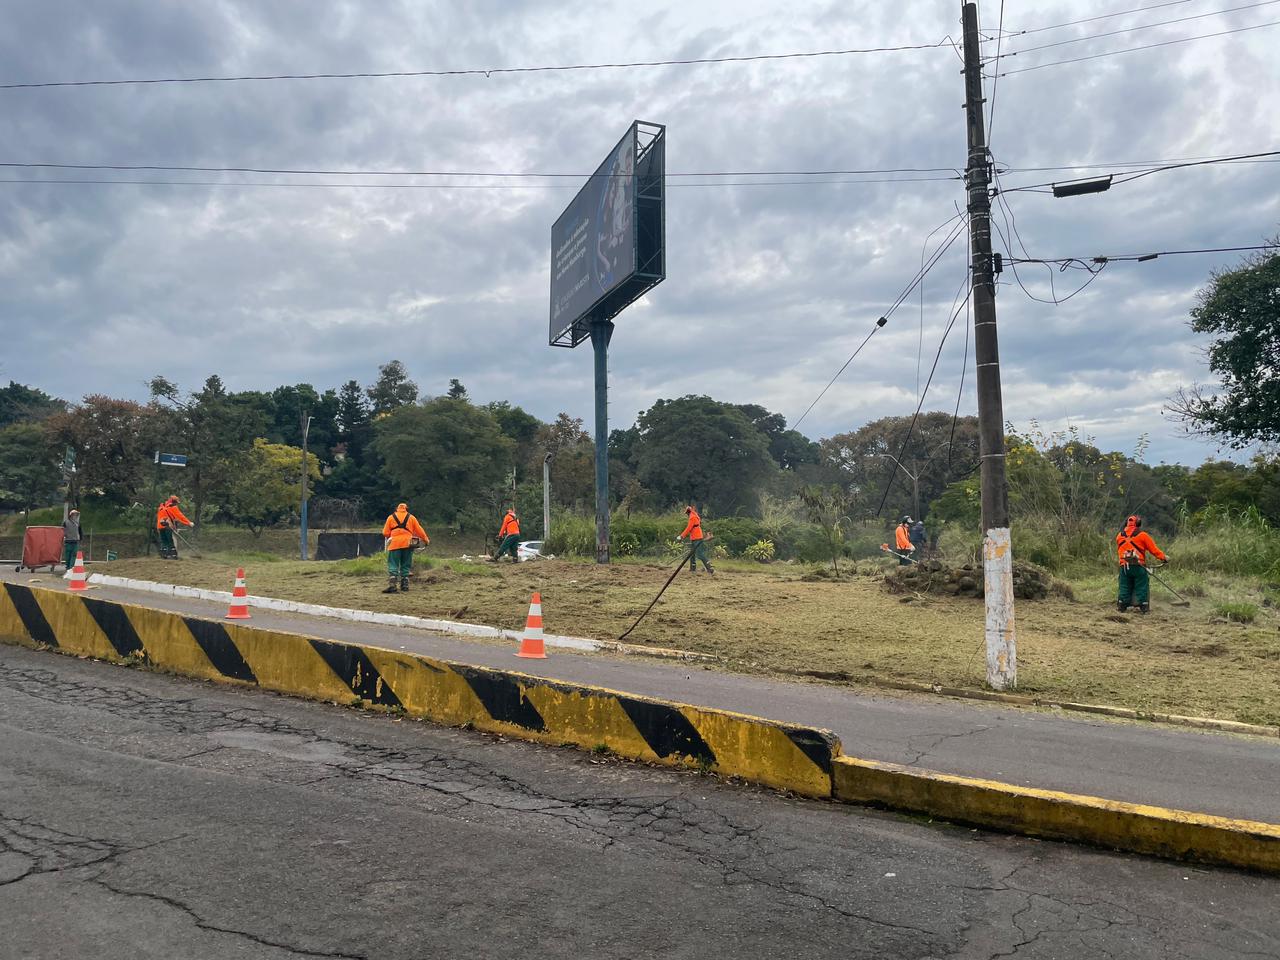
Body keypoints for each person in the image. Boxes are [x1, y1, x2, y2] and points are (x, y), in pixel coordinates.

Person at [1116, 515, 1168, 614]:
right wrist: (1163, 557)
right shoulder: (1143, 535)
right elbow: (1154, 550)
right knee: (1142, 585)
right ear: (1138, 524)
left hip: (1124, 567)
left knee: (1124, 585)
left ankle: (1122, 605)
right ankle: (1143, 605)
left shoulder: (1119, 536)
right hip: (1138, 566)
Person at [381, 502, 429, 594]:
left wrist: (394, 533)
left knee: (393, 564)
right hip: (408, 544)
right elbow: (419, 530)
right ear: (406, 509)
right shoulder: (411, 517)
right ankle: (405, 585)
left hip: (395, 543)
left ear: (397, 509)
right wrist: (426, 540)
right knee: (406, 564)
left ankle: (392, 586)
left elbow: (385, 533)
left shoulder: (391, 517)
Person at [678, 505, 714, 576]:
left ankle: (710, 568)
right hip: (695, 537)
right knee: (692, 554)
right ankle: (692, 568)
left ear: (688, 512)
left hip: (697, 538)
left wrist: (681, 536)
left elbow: (688, 528)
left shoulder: (692, 517)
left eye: (687, 513)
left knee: (699, 554)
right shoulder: (694, 515)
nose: (687, 515)